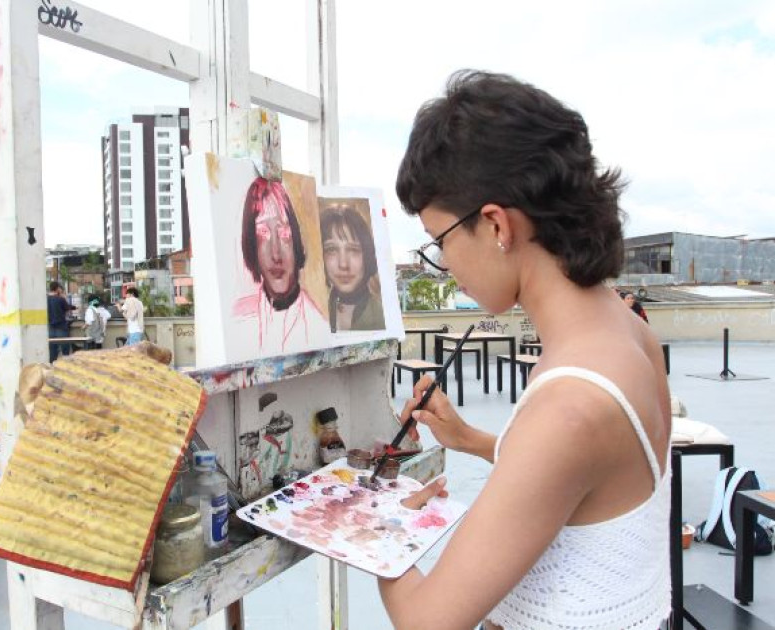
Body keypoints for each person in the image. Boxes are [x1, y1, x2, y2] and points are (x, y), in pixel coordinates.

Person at [379, 70, 671, 629]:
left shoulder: (571, 404)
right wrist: (466, 439)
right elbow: (585, 482)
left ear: (495, 225)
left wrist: (375, 531)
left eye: (441, 243)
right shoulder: (629, 332)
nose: (446, 266)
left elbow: (426, 622)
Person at [233, 177, 328, 351]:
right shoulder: (238, 320)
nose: (275, 253)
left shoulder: (318, 326)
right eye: (262, 232)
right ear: (251, 242)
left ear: (296, 243)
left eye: (284, 233)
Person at [320, 205, 386, 332]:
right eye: (331, 250)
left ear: (367, 256)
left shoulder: (383, 317)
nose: (343, 264)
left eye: (353, 250)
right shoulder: (312, 316)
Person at [47, 281, 76, 362]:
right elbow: (67, 309)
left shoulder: (45, 299)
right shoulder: (60, 299)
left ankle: (52, 367)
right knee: (65, 351)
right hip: (61, 327)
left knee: (52, 350)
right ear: (57, 289)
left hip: (50, 328)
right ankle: (65, 369)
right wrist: (64, 297)